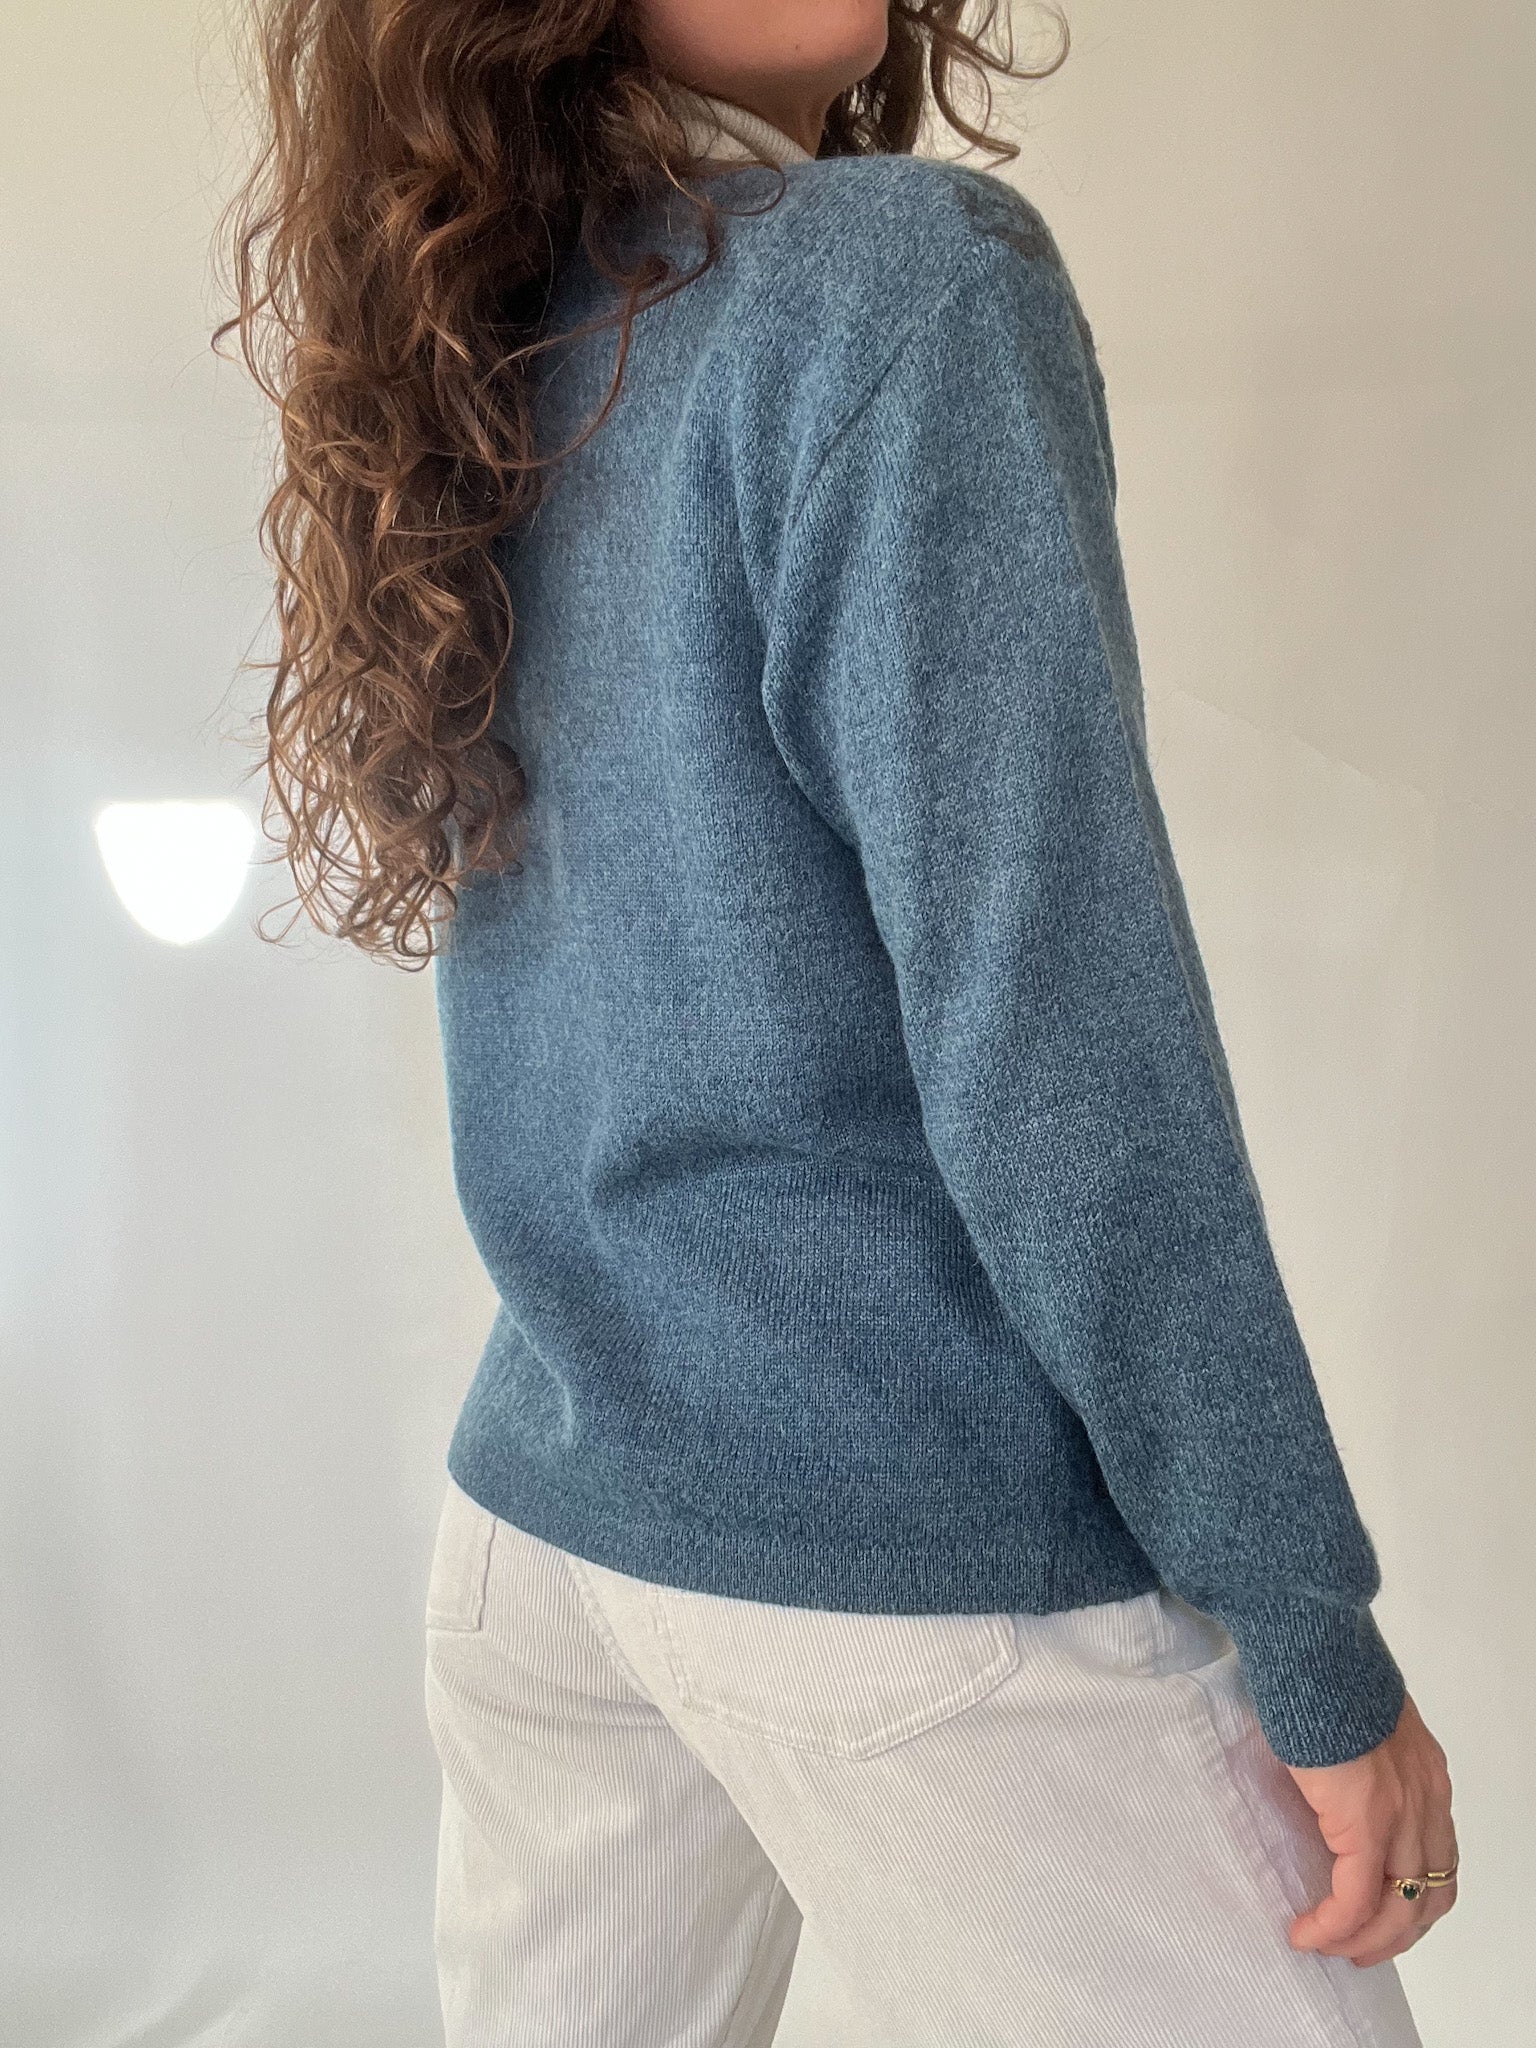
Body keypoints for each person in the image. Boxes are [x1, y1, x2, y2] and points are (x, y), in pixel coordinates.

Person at [219, 2, 1458, 2041]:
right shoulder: (899, 285)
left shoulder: (487, 333)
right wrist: (1311, 1638)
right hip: (897, 1535)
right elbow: (1066, 1041)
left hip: (551, 1525)